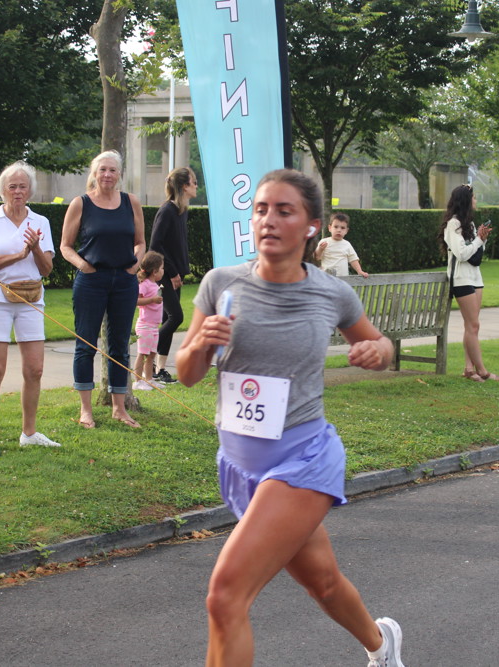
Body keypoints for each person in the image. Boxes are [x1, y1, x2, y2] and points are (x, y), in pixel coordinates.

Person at [176, 169, 406, 667]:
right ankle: (382, 646)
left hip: (302, 459)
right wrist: (201, 343)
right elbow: (187, 374)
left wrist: (378, 352)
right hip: (240, 466)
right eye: (261, 209)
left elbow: (379, 343)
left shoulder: (330, 293)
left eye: (284, 211)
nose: (269, 220)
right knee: (323, 582)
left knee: (225, 596)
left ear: (311, 227)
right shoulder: (221, 283)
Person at [0, 161, 61, 459]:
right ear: (3, 190)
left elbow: (46, 269)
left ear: (30, 190)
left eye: (23, 186)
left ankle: (29, 433)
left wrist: (34, 249)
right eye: (12, 187)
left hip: (31, 298)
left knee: (35, 369)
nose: (18, 191)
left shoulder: (40, 221)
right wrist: (19, 254)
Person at [60, 150, 146, 429]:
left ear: (119, 174)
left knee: (120, 346)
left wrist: (135, 265)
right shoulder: (81, 203)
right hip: (91, 281)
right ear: (94, 174)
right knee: (85, 344)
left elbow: (141, 241)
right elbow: (65, 246)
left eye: (112, 170)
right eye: (102, 170)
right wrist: (83, 266)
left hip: (124, 281)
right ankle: (86, 410)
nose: (107, 175)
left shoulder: (131, 202)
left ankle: (119, 408)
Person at [439, 184, 499, 382]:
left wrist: (481, 239)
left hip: (475, 277)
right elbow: (462, 254)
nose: (475, 201)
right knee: (473, 325)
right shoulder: (453, 224)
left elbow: (475, 255)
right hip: (461, 278)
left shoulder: (470, 224)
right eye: (473, 197)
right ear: (466, 200)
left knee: (472, 326)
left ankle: (469, 368)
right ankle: (482, 370)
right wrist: (478, 241)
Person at [149, 166, 198, 384]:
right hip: (165, 274)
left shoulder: (181, 210)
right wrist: (171, 271)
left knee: (167, 318)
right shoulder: (167, 210)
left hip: (175, 274)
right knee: (176, 317)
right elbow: (155, 245)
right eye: (194, 182)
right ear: (184, 186)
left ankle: (159, 369)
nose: (196, 186)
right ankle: (146, 354)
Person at [132, 251, 165, 391]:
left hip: (153, 326)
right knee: (142, 353)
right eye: (162, 268)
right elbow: (136, 301)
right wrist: (152, 300)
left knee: (151, 354)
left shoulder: (154, 284)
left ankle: (149, 380)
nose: (163, 271)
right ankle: (137, 381)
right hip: (145, 326)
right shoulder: (144, 285)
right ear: (154, 271)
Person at [314, 212, 369, 277]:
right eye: (336, 227)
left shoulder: (347, 244)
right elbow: (317, 257)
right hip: (326, 277)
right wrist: (320, 249)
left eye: (342, 228)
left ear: (346, 231)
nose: (339, 230)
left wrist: (359, 271)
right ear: (330, 228)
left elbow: (353, 259)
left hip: (343, 278)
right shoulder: (324, 242)